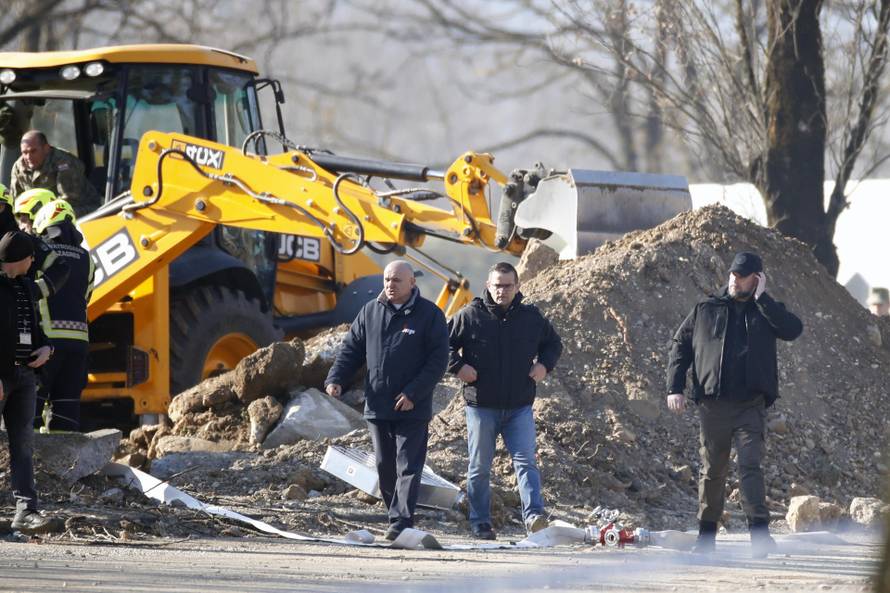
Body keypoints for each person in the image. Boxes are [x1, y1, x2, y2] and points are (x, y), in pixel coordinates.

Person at [666, 251, 803, 558]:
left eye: (741, 276)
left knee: (750, 465)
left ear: (757, 279)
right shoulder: (706, 309)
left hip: (750, 405)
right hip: (713, 406)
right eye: (732, 274)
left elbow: (793, 330)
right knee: (713, 470)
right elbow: (680, 346)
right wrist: (674, 387)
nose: (734, 280)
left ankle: (760, 536)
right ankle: (706, 537)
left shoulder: (766, 311)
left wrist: (763, 299)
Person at [324, 260, 448, 541]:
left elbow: (438, 361)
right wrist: (336, 379)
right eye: (387, 280)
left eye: (397, 281)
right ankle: (396, 516)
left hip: (412, 406)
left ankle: (402, 520)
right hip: (378, 404)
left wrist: (413, 393)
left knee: (409, 464)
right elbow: (351, 349)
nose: (390, 285)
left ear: (412, 283)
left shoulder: (430, 315)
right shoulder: (370, 311)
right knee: (384, 464)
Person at [447, 261, 563, 540]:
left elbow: (554, 344)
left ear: (517, 287)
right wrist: (458, 366)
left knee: (526, 463)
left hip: (519, 407)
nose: (502, 290)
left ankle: (534, 518)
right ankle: (480, 523)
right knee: (479, 467)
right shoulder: (470, 315)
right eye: (497, 285)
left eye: (507, 285)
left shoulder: (531, 318)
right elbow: (441, 344)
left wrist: (543, 366)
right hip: (481, 407)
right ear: (488, 285)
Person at [0, 231, 54, 533]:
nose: (34, 260)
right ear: (20, 258)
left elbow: (36, 329)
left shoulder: (26, 288)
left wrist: (48, 348)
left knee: (23, 445)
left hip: (25, 377)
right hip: (3, 377)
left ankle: (27, 512)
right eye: (31, 256)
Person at [32, 200, 94, 431]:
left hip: (45, 344)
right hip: (78, 345)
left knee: (30, 412)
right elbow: (87, 297)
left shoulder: (40, 252)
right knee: (66, 413)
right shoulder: (87, 258)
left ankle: (31, 465)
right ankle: (65, 465)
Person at [11, 130, 102, 216]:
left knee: (59, 216)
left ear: (46, 148)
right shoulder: (18, 167)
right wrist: (23, 218)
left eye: (33, 151)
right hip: (43, 213)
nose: (28, 157)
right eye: (24, 152)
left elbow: (68, 200)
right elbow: (16, 201)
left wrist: (38, 216)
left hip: (81, 209)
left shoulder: (64, 162)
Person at [0, 186, 68, 301]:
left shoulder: (23, 240)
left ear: (7, 208)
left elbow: (60, 267)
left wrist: (34, 290)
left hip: (19, 314)